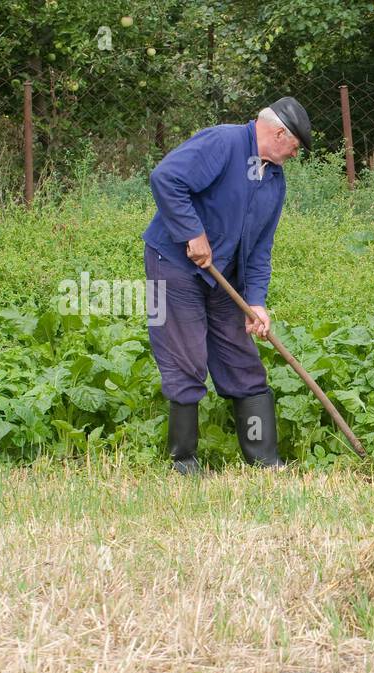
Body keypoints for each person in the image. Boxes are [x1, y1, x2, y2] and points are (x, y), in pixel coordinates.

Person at [142, 96, 312, 473]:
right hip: (173, 266)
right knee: (185, 360)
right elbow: (166, 179)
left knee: (242, 362)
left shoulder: (274, 180)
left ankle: (265, 460)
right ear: (279, 132)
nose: (296, 155)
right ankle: (183, 462)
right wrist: (192, 233)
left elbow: (260, 248)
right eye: (295, 146)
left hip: (224, 279)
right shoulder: (224, 143)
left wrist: (256, 302)